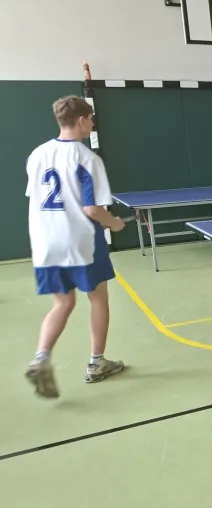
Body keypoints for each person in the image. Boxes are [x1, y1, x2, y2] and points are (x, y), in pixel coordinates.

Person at [24, 96, 127, 399]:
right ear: (81, 120)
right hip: (81, 242)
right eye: (91, 119)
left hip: (45, 242)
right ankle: (97, 363)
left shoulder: (37, 154)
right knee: (98, 298)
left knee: (62, 303)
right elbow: (92, 209)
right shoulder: (87, 159)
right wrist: (114, 223)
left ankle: (41, 357)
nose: (93, 123)